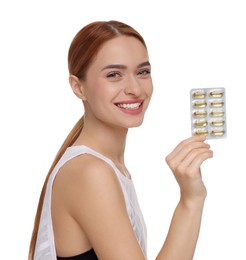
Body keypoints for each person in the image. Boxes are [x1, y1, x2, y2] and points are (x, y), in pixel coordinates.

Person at [28, 20, 213, 260]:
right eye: (114, 74)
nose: (135, 88)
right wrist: (190, 200)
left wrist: (193, 198)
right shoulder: (89, 172)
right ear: (78, 87)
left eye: (143, 72)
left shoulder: (107, 167)